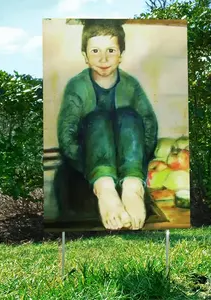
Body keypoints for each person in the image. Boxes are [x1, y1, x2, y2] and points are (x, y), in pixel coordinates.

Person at [57, 19, 158, 230]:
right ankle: (105, 190)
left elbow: (149, 125)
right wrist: (88, 162)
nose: (103, 58)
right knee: (99, 119)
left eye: (111, 50)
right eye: (95, 51)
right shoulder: (77, 86)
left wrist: (135, 162)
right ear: (85, 56)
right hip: (92, 158)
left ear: (121, 54)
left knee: (129, 116)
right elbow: (67, 136)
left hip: (128, 159)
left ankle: (133, 187)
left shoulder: (131, 84)